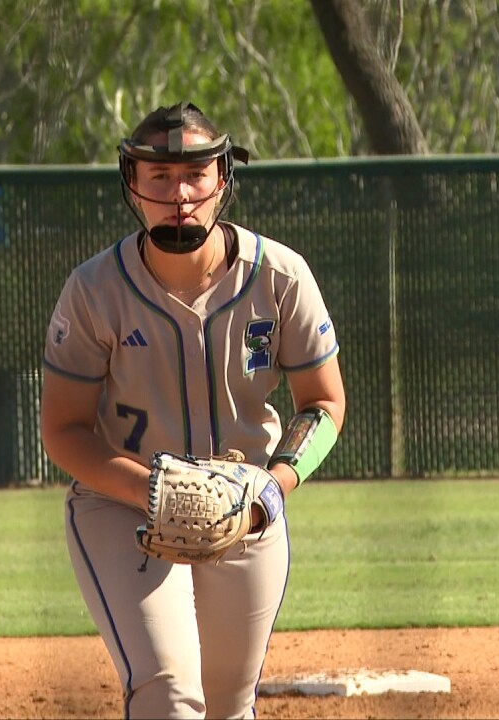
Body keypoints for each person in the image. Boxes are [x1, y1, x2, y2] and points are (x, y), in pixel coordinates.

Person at [40, 101, 346, 718]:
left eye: (195, 175)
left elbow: (324, 403)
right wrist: (152, 491)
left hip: (246, 509)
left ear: (222, 179)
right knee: (169, 692)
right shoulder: (95, 290)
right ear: (132, 182)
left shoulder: (280, 276)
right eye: (160, 176)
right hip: (122, 507)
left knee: (229, 704)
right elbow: (63, 429)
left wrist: (271, 488)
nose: (179, 194)